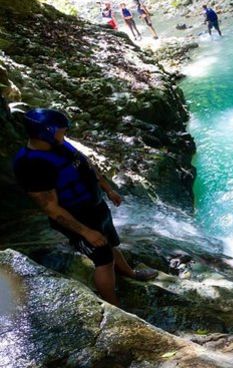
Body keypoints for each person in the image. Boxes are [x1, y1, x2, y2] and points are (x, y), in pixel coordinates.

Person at [13, 108, 158, 305]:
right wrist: (86, 232)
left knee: (111, 242)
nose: (64, 134)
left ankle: (129, 273)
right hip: (76, 216)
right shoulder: (31, 165)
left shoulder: (58, 144)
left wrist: (108, 189)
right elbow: (51, 208)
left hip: (95, 205)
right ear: (45, 131)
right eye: (61, 131)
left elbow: (86, 165)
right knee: (104, 260)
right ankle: (114, 306)